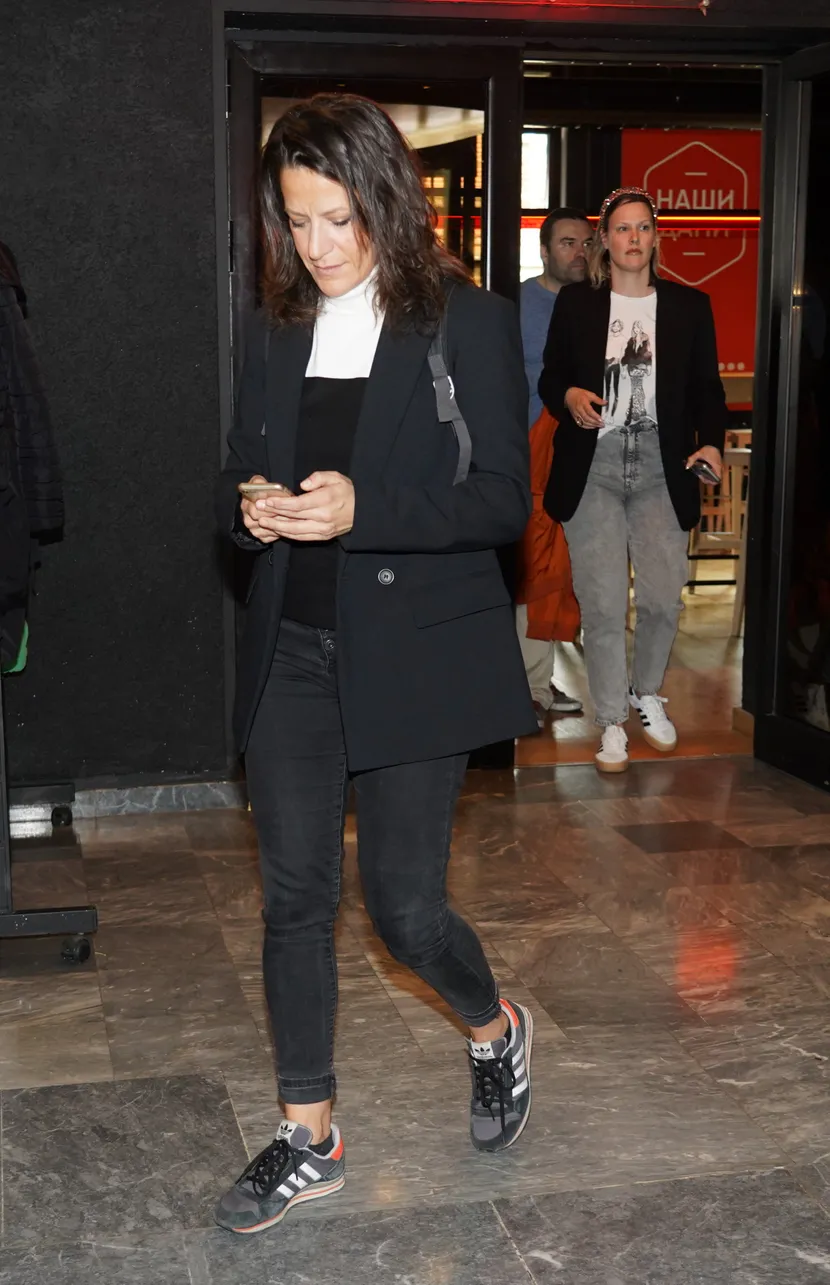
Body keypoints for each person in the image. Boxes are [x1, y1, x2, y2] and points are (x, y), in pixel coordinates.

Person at [214, 93, 538, 1236]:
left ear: (385, 203)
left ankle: (494, 1028)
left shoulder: (466, 321)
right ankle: (310, 1135)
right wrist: (249, 511)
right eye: (296, 220)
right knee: (294, 901)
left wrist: (365, 511)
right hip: (292, 653)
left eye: (337, 218)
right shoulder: (275, 330)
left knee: (404, 911)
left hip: (411, 655)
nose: (316, 245)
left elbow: (500, 501)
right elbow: (238, 469)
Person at [539, 186, 727, 773]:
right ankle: (611, 723)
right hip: (592, 465)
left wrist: (712, 442)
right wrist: (570, 396)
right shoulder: (577, 304)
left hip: (662, 467)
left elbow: (708, 390)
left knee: (662, 599)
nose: (634, 238)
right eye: (622, 228)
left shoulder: (689, 307)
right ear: (605, 239)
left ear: (655, 237)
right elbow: (551, 378)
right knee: (601, 605)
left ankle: (647, 692)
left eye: (643, 227)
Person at [517, 208, 592, 727]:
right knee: (533, 566)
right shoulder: (516, 305)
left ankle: (535, 684)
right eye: (567, 242)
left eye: (587, 243)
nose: (579, 252)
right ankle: (527, 685)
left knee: (559, 568)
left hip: (578, 455)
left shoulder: (600, 304)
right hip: (522, 454)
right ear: (544, 250)